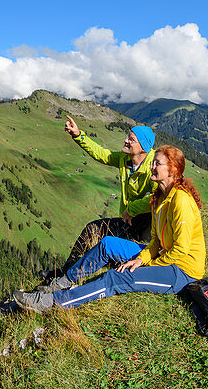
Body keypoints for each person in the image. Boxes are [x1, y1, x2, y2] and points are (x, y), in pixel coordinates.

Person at [14, 144, 205, 312]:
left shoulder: (180, 201)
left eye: (157, 164)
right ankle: (62, 282)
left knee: (116, 278)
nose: (152, 167)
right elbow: (156, 241)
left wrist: (146, 264)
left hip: (182, 271)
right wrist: (142, 259)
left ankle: (52, 302)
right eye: (152, 162)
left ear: (173, 169)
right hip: (164, 254)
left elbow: (181, 250)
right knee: (108, 244)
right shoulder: (159, 198)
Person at [56, 116, 158, 274]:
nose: (125, 140)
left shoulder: (154, 166)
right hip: (128, 219)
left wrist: (132, 209)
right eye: (127, 136)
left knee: (111, 247)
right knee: (93, 229)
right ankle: (66, 270)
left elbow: (157, 196)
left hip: (147, 224)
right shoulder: (125, 159)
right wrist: (78, 135)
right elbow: (102, 154)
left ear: (143, 147)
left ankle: (78, 275)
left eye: (131, 139)